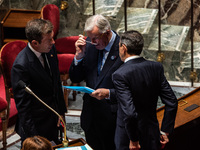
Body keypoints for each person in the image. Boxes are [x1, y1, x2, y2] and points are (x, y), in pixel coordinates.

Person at [112, 30, 178, 150]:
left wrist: (134, 140)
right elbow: (172, 102)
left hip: (128, 138)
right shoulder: (156, 67)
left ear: (124, 48)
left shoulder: (120, 74)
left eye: (119, 46)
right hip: (151, 132)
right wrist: (165, 131)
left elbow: (130, 113)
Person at [69, 14, 123, 150]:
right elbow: (75, 78)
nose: (92, 42)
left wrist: (109, 93)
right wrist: (79, 57)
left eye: (95, 38)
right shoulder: (90, 45)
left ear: (107, 33)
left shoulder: (124, 48)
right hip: (91, 118)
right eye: (90, 38)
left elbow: (133, 89)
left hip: (114, 120)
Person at [11, 19, 67, 145]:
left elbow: (56, 83)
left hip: (53, 118)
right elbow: (24, 108)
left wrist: (61, 112)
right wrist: (35, 139)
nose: (53, 42)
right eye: (49, 40)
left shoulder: (50, 50)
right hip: (36, 125)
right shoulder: (21, 66)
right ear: (35, 43)